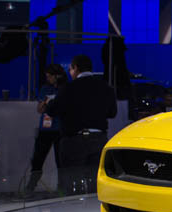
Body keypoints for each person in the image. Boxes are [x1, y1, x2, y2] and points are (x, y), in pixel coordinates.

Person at [42, 55, 117, 194]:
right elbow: (112, 113)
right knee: (96, 182)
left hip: (74, 140)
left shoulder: (69, 88)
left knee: (71, 182)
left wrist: (48, 104)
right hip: (98, 138)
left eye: (70, 69)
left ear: (76, 68)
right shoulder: (106, 87)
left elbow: (53, 110)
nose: (70, 72)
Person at [25, 64, 67, 196]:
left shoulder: (65, 88)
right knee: (38, 159)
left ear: (57, 76)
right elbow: (40, 109)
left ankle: (62, 188)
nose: (48, 78)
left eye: (50, 76)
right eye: (46, 76)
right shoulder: (45, 88)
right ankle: (30, 188)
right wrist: (46, 102)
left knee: (60, 161)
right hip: (45, 129)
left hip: (60, 129)